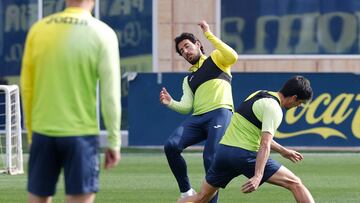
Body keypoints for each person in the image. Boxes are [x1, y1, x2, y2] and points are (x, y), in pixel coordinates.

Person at [20, 0, 121, 202]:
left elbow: (27, 87)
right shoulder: (103, 33)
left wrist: (32, 134)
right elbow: (111, 93)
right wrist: (114, 141)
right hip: (81, 136)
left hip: (43, 133)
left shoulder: (39, 29)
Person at [178, 75, 315, 203]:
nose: (297, 106)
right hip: (244, 156)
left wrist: (283, 151)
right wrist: (258, 175)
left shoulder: (258, 94)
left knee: (201, 198)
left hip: (223, 153)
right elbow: (265, 143)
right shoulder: (274, 109)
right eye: (299, 103)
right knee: (295, 183)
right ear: (293, 97)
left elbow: (252, 132)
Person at [159, 20, 238, 203]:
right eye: (181, 51)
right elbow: (187, 107)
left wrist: (209, 34)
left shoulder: (217, 59)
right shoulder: (188, 80)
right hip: (199, 118)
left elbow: (232, 56)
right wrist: (171, 102)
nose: (185, 52)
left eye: (187, 46)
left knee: (210, 158)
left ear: (198, 45)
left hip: (220, 113)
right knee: (171, 146)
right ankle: (187, 193)